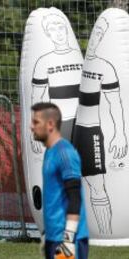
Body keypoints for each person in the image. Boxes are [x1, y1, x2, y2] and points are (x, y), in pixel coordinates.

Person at [73, 17, 127, 235]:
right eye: (95, 34)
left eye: (101, 34)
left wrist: (120, 134)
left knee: (97, 186)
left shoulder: (106, 67)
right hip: (76, 129)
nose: (96, 38)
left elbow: (115, 103)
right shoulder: (86, 65)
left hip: (92, 131)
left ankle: (105, 234)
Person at [31, 102, 89, 259]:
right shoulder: (50, 152)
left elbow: (75, 197)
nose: (31, 126)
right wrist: (47, 234)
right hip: (54, 237)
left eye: (36, 122)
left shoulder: (65, 153)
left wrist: (68, 240)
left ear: (50, 124)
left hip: (68, 240)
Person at [31, 13, 82, 153]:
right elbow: (37, 97)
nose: (58, 33)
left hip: (82, 122)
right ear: (48, 34)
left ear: (66, 29)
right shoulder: (42, 62)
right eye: (52, 29)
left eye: (60, 27)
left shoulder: (79, 59)